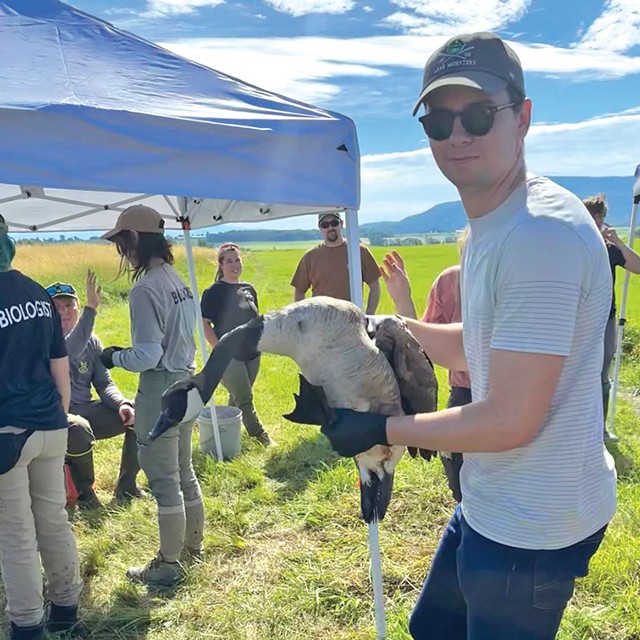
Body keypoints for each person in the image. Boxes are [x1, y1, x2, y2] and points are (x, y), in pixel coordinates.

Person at [320, 32, 617, 640]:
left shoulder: (539, 236)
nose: (457, 136)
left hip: (532, 525)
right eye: (438, 120)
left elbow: (511, 419)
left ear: (523, 117)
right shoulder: (494, 219)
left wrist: (381, 430)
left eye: (478, 115)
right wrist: (391, 329)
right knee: (431, 629)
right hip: (491, 500)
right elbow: (479, 345)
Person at [99, 204, 205, 587]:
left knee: (163, 480)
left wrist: (113, 356)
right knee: (184, 471)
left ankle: (169, 563)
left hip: (160, 389)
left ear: (133, 240)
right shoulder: (177, 280)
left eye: (121, 242)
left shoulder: (145, 288)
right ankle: (194, 547)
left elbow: (147, 354)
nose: (120, 252)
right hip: (187, 382)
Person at [0, 214, 83, 639]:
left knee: (16, 535)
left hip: (8, 436)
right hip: (51, 424)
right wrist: (61, 418)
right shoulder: (36, 291)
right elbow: (60, 366)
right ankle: (67, 608)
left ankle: (27, 625)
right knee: (53, 520)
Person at [46, 272, 144, 508]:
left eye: (69, 305)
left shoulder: (92, 341)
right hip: (57, 417)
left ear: (76, 307)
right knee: (79, 429)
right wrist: (92, 310)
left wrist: (122, 404)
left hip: (87, 409)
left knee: (140, 414)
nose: (65, 312)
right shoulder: (44, 340)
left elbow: (104, 382)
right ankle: (85, 494)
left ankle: (127, 485)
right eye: (57, 307)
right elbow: (70, 349)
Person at [383, 243, 470, 504]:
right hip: (465, 396)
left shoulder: (522, 283)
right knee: (461, 484)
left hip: (517, 397)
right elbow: (420, 351)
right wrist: (402, 299)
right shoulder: (451, 281)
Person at [200, 243, 273, 446]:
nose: (234, 265)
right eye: (229, 261)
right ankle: (260, 437)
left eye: (237, 260)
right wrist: (220, 349)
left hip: (253, 353)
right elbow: (204, 324)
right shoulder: (214, 291)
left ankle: (226, 430)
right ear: (221, 265)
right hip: (229, 356)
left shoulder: (249, 289)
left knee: (237, 395)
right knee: (245, 398)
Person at [582, 194, 640, 439]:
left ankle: (600, 428)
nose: (596, 222)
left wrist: (617, 240)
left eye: (600, 217)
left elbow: (638, 267)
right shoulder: (575, 247)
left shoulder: (610, 250)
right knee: (575, 371)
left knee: (601, 373)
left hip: (605, 318)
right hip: (578, 319)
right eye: (592, 216)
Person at [291, 212, 381, 313]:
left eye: (334, 223)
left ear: (341, 224)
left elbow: (375, 286)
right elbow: (299, 291)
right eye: (325, 225)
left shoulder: (358, 251)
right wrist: (304, 319)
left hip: (352, 320)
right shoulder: (310, 256)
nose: (330, 228)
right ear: (320, 229)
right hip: (320, 321)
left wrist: (368, 316)